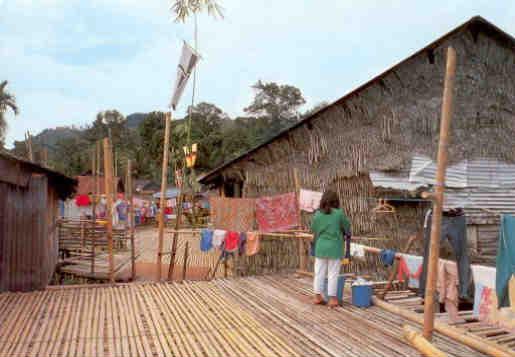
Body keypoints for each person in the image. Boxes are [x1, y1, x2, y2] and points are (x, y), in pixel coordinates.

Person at [311, 189, 351, 307]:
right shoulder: (339, 213)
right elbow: (347, 227)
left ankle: (317, 297)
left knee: (319, 273)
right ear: (336, 201)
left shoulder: (318, 214)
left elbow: (314, 229)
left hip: (321, 247)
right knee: (333, 273)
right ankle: (332, 299)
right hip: (335, 247)